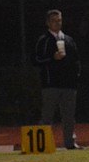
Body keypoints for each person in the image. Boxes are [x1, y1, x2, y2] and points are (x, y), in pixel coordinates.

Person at [33, 9, 82, 150]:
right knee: (47, 114)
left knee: (69, 116)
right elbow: (36, 60)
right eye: (54, 20)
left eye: (59, 20)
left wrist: (76, 77)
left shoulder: (68, 39)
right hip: (51, 84)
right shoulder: (44, 40)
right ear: (48, 23)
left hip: (68, 84)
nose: (57, 23)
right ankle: (43, 144)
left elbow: (76, 60)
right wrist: (52, 58)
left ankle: (70, 142)